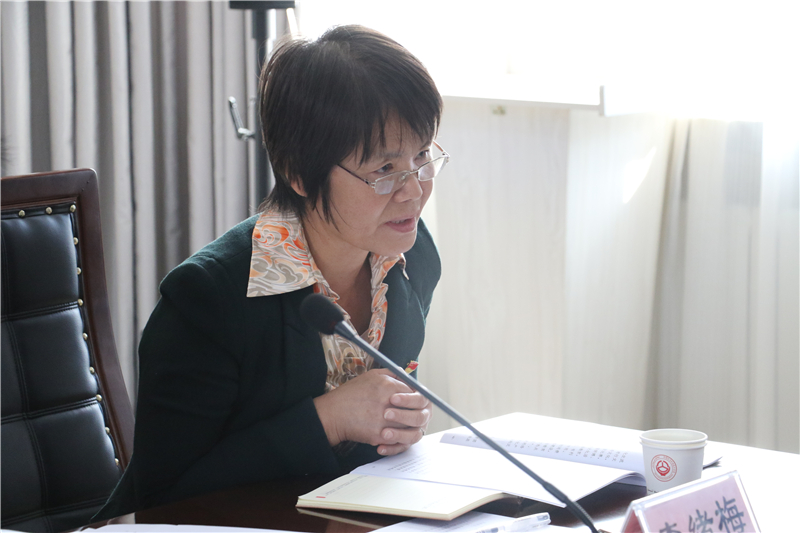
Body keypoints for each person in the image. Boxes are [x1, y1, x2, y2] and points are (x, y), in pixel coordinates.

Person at [95, 24, 447, 518]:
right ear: (299, 173)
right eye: (384, 170)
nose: (414, 190)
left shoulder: (412, 254)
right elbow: (164, 499)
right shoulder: (206, 299)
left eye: (423, 155)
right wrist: (327, 421)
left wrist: (397, 422)